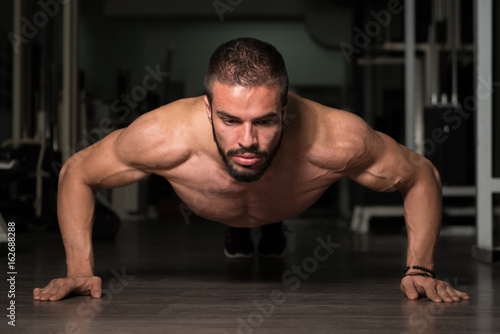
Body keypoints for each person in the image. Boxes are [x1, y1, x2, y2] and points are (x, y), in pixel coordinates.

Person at [33, 37, 470, 303]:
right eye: (229, 120)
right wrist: (78, 269)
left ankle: (269, 225)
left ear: (285, 105)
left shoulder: (338, 138)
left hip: (284, 194)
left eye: (264, 121)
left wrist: (421, 269)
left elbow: (421, 175)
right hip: (223, 204)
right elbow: (77, 171)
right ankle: (241, 228)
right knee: (249, 192)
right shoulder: (161, 136)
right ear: (207, 108)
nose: (246, 139)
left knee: (262, 190)